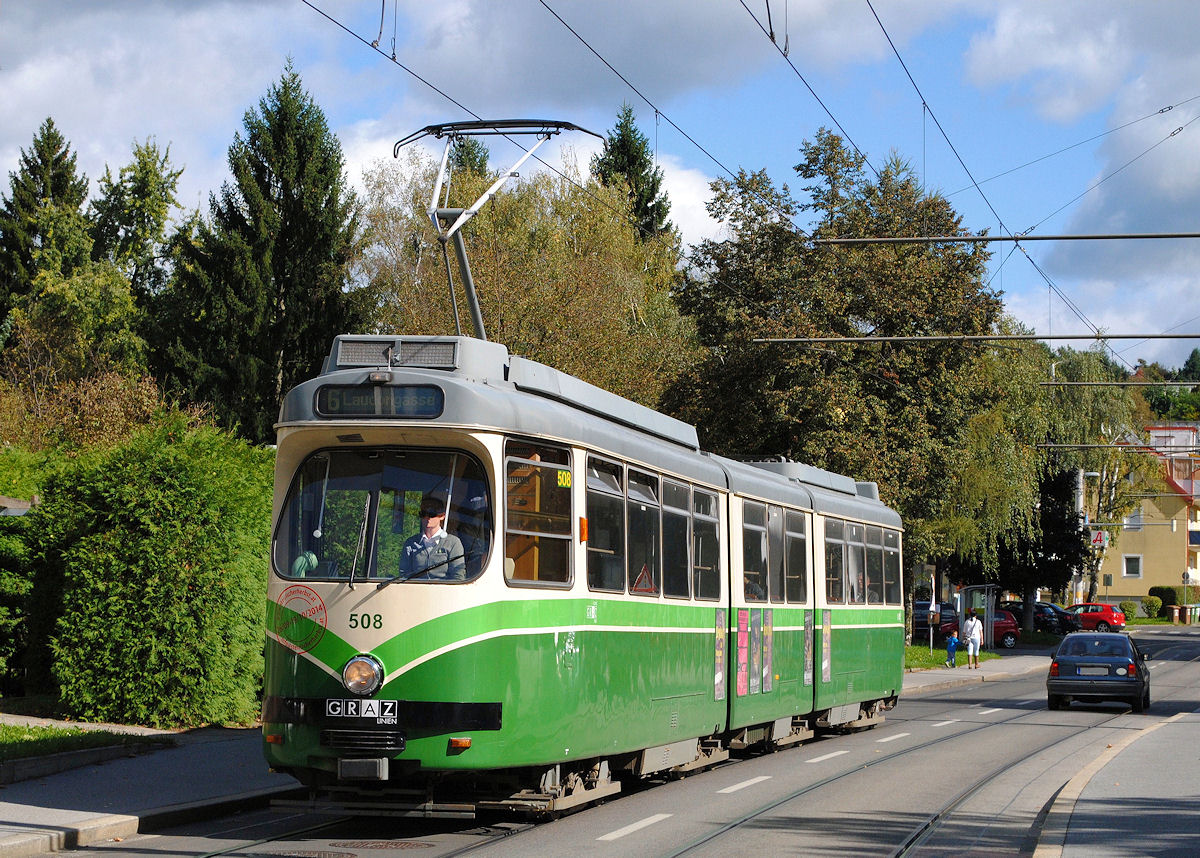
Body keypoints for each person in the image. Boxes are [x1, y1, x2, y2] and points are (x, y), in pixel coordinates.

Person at [400, 493, 465, 580]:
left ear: (442, 516)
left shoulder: (453, 543)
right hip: (416, 591)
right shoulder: (411, 543)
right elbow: (404, 575)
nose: (427, 518)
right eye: (423, 514)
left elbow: (458, 576)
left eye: (432, 514)